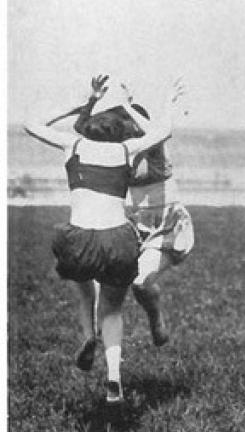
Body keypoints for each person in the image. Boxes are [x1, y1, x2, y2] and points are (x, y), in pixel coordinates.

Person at [23, 76, 184, 403]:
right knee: (111, 308)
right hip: (117, 241)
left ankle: (87, 336)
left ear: (89, 129)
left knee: (85, 294)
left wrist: (84, 100)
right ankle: (113, 375)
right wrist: (164, 101)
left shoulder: (74, 145)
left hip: (78, 240)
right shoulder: (126, 150)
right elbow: (162, 131)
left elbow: (30, 123)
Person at [73, 86, 194, 348]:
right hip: (134, 226)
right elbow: (83, 130)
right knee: (101, 278)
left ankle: (156, 318)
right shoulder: (119, 151)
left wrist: (127, 105)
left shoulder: (154, 146)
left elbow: (158, 131)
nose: (129, 133)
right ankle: (94, 335)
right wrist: (92, 100)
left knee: (140, 283)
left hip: (167, 224)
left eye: (132, 127)